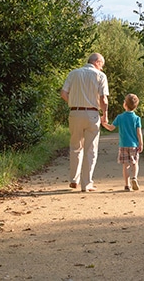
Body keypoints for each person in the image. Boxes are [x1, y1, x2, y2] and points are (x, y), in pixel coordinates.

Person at [60, 53, 109, 192]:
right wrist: (105, 115)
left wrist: (74, 102)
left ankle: (74, 180)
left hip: (74, 113)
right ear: (97, 62)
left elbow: (63, 93)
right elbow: (103, 99)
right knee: (90, 150)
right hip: (92, 114)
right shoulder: (100, 76)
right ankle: (86, 183)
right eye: (102, 65)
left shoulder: (74, 73)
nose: (102, 68)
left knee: (75, 147)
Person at [102, 93, 143, 191]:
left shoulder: (120, 117)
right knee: (135, 163)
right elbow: (139, 133)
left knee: (126, 165)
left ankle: (127, 185)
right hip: (134, 145)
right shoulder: (137, 118)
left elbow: (111, 128)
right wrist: (141, 143)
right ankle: (134, 178)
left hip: (123, 145)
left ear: (125, 104)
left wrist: (104, 124)